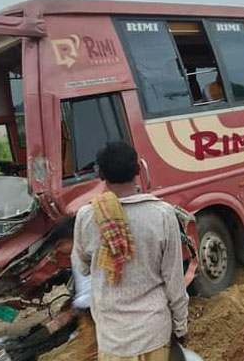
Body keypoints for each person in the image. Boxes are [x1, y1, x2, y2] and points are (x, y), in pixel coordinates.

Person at [72, 141, 189, 361]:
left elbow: (82, 267)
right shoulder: (162, 214)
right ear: (138, 170)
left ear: (101, 174)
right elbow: (174, 282)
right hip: (155, 333)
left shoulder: (87, 217)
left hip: (113, 340)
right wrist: (181, 328)